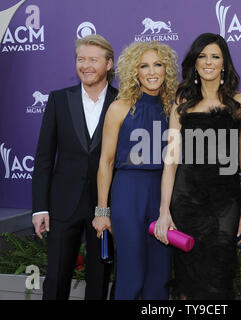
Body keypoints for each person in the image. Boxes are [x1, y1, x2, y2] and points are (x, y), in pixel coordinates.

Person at [155, 33, 241, 299]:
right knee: (188, 276)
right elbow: (171, 160)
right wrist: (164, 210)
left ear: (225, 63)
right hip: (186, 199)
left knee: (220, 274)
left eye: (215, 56)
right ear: (195, 62)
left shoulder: (240, 102)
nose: (208, 62)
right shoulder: (181, 101)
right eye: (202, 56)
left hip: (225, 202)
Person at [32, 34, 118, 300]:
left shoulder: (123, 101)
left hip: (106, 206)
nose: (86, 65)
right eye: (81, 59)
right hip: (63, 204)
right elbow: (44, 157)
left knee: (99, 278)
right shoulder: (59, 99)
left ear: (109, 64)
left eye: (93, 59)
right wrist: (40, 208)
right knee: (56, 277)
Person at [92, 41, 178, 300]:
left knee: (160, 275)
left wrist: (168, 207)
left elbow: (174, 161)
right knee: (132, 274)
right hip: (128, 193)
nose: (152, 72)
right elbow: (105, 162)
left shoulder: (172, 110)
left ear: (166, 70)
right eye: (144, 65)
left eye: (158, 64)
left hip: (162, 194)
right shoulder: (119, 108)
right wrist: (102, 211)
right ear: (135, 71)